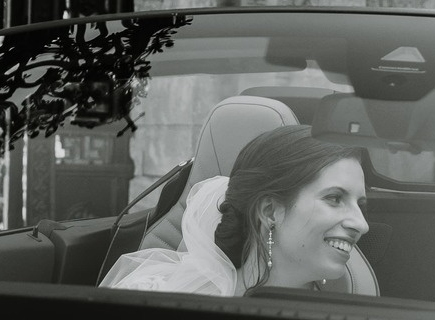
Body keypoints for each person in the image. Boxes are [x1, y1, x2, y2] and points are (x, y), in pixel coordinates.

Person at [101, 126, 370, 296]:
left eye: (360, 204)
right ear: (269, 211)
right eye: (334, 198)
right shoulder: (158, 299)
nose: (362, 224)